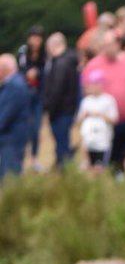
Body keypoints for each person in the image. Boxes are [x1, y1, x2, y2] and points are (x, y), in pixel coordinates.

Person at [82, 31, 125, 167]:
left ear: (118, 44)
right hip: (104, 121)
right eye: (105, 45)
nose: (108, 48)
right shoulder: (94, 64)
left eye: (110, 44)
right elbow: (85, 88)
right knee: (107, 156)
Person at [42, 32, 80, 167]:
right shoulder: (70, 60)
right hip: (67, 109)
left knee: (62, 145)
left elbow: (56, 91)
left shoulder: (61, 64)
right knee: (64, 143)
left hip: (60, 111)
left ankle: (64, 170)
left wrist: (49, 111)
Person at [76, 70, 118, 172]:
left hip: (102, 142)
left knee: (99, 169)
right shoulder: (86, 101)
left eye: (96, 83)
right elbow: (78, 122)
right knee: (87, 167)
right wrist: (85, 115)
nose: (94, 87)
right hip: (88, 141)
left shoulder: (108, 100)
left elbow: (115, 120)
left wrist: (100, 114)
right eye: (92, 84)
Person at [17, 25, 46, 167]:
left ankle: (34, 157)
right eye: (33, 38)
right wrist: (29, 72)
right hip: (26, 93)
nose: (35, 42)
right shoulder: (23, 52)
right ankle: (21, 157)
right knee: (24, 126)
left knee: (36, 127)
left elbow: (46, 71)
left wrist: (37, 73)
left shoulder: (44, 53)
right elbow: (21, 69)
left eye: (38, 39)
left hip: (38, 94)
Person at [0, 54, 30, 179]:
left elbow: (6, 115)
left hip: (12, 138)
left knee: (9, 176)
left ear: (4, 69)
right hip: (11, 137)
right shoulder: (13, 83)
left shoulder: (15, 86)